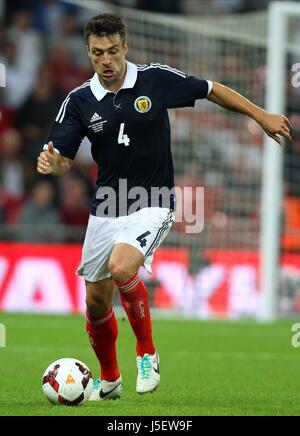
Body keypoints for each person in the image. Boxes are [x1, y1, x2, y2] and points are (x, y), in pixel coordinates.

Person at [37, 13, 292, 401]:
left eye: (111, 51)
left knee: (123, 268)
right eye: (96, 54)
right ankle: (109, 379)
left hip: (153, 200)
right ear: (88, 53)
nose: (105, 60)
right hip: (107, 204)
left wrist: (261, 115)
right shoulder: (79, 100)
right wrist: (52, 164)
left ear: (125, 47)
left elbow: (211, 89)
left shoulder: (154, 79)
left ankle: (147, 354)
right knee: (95, 302)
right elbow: (63, 159)